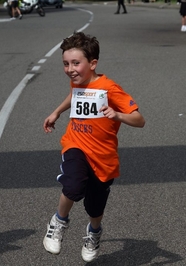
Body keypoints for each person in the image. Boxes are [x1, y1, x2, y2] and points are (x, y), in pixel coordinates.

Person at [42, 32, 145, 263]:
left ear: (93, 63)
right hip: (75, 144)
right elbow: (74, 95)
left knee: (94, 207)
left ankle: (94, 232)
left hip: (103, 158)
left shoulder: (109, 88)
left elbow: (139, 120)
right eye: (66, 64)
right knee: (73, 185)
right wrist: (57, 112)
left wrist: (118, 114)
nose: (70, 69)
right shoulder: (78, 81)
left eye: (76, 63)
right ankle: (58, 221)